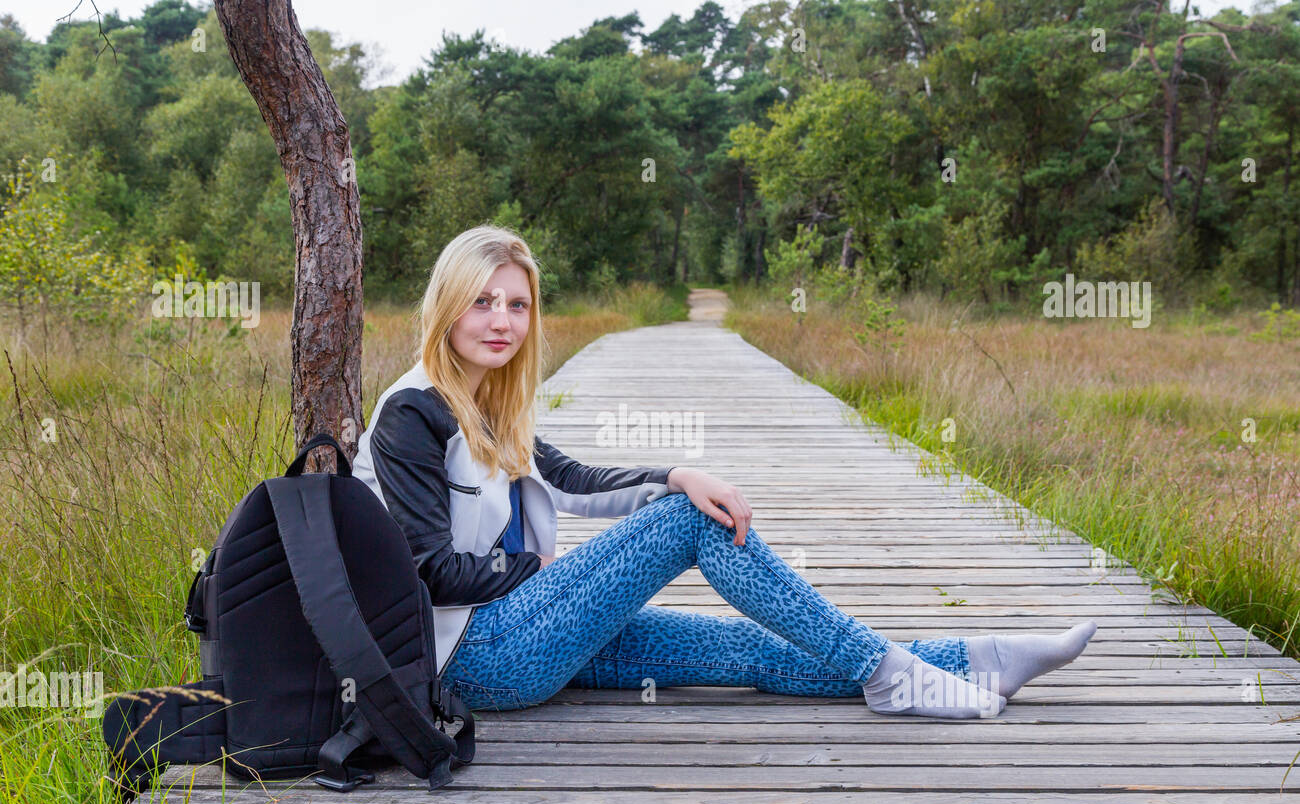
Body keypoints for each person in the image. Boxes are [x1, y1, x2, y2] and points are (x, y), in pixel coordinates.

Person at [350, 224, 1096, 720]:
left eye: (516, 304)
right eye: (482, 302)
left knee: (741, 646)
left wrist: (677, 471)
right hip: (473, 661)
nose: (502, 321)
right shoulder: (411, 414)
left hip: (530, 632)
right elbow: (427, 573)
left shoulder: (488, 405)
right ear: (447, 307)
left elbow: (572, 479)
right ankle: (888, 678)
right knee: (684, 525)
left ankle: (978, 660)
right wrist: (537, 572)